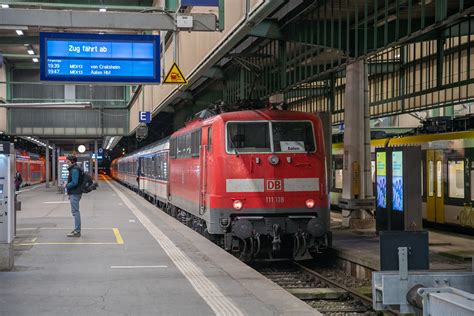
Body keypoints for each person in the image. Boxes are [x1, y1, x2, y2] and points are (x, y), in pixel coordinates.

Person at [65, 155, 83, 237]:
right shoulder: (75, 168)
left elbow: (74, 182)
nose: (66, 163)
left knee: (75, 212)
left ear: (72, 161)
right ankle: (77, 229)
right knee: (75, 212)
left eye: (67, 161)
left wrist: (66, 185)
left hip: (75, 193)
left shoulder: (75, 170)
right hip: (75, 193)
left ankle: (77, 231)